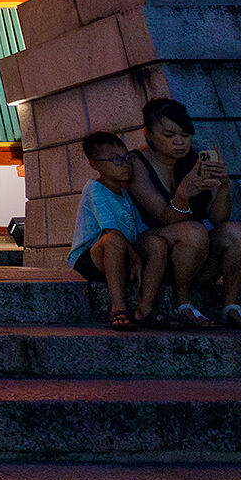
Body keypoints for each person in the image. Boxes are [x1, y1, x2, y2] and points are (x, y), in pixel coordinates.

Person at [128, 96, 241, 328]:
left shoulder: (194, 160)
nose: (179, 142)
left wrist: (223, 187)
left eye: (185, 135)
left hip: (196, 255)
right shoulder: (137, 162)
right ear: (147, 134)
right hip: (152, 249)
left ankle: (231, 306)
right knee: (193, 231)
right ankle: (183, 304)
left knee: (238, 233)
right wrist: (183, 193)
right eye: (169, 136)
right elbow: (164, 216)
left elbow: (219, 219)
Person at [67, 131, 155, 331]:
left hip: (122, 253)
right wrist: (136, 257)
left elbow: (140, 229)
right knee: (112, 240)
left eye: (126, 158)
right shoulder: (94, 189)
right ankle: (118, 307)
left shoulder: (125, 193)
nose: (124, 165)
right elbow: (111, 231)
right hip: (91, 257)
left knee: (156, 243)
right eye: (115, 160)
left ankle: (146, 307)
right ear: (95, 164)